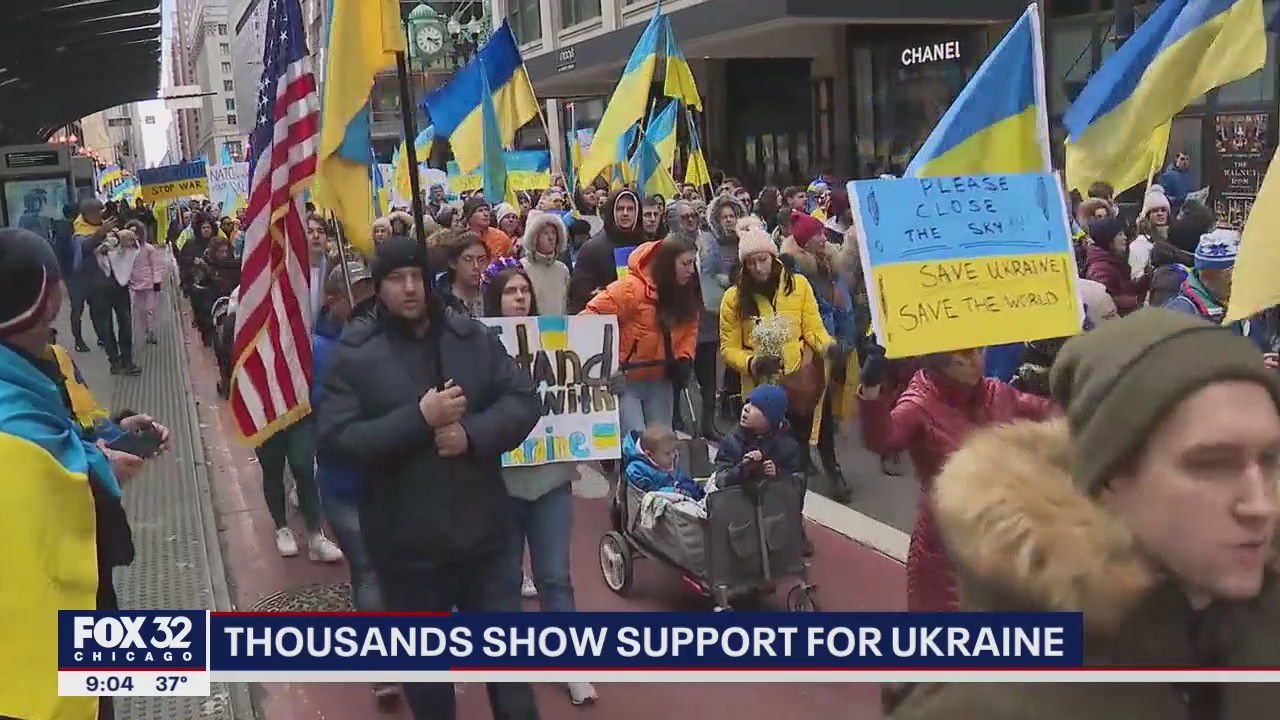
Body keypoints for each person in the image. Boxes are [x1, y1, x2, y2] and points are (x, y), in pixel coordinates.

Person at [885, 308, 1280, 719]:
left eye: (1270, 460)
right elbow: (886, 436)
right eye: (1212, 464)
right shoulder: (982, 703)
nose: (1262, 505)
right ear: (1111, 477)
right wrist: (873, 396)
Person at [315, 236, 542, 720]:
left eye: (416, 275)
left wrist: (473, 433)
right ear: (378, 288)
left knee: (511, 680)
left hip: (485, 537)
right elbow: (339, 439)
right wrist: (420, 418)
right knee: (428, 683)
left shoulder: (469, 337)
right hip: (407, 549)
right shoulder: (355, 354)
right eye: (397, 279)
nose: (410, 288)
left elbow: (521, 399)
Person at [0, 228, 174, 720]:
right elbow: (52, 478)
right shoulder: (10, 410)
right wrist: (106, 467)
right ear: (47, 297)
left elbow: (68, 432)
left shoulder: (36, 364)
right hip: (36, 637)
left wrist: (114, 432)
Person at [858, 343, 1055, 613]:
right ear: (940, 363)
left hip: (1001, 541)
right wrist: (871, 392)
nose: (976, 361)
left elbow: (1054, 413)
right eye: (963, 356)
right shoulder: (919, 403)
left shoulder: (998, 393)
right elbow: (882, 438)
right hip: (945, 549)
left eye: (976, 351)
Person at [481, 258, 597, 706]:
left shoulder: (560, 340)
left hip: (550, 478)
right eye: (510, 292)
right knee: (505, 578)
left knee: (554, 576)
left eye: (523, 291)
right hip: (499, 483)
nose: (518, 298)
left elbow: (582, 388)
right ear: (496, 298)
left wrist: (605, 386)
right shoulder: (478, 345)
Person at [309, 262, 398, 709]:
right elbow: (326, 420)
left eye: (369, 290)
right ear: (334, 301)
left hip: (398, 480)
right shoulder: (320, 350)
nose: (365, 300)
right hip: (348, 481)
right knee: (369, 570)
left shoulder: (390, 337)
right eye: (355, 292)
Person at [582, 237, 700, 437]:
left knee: (662, 444)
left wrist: (685, 357)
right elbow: (588, 320)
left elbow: (689, 328)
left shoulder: (686, 291)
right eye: (685, 263)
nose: (691, 270)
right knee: (635, 444)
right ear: (668, 263)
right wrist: (606, 366)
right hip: (627, 382)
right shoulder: (629, 289)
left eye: (693, 263)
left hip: (661, 379)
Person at [781, 211, 856, 502]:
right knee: (808, 411)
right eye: (817, 235)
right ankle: (816, 465)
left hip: (835, 348)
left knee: (830, 411)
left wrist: (847, 343)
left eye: (824, 234)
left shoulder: (832, 269)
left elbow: (845, 308)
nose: (824, 239)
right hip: (810, 354)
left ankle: (827, 463)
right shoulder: (796, 276)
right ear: (805, 242)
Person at [692, 195, 743, 440]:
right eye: (724, 217)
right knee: (713, 366)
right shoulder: (708, 243)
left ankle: (731, 402)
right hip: (712, 314)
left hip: (740, 309)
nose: (729, 220)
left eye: (732, 216)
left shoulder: (745, 240)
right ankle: (708, 418)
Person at [567, 188, 647, 313]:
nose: (625, 213)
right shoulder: (592, 248)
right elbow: (579, 294)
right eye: (620, 209)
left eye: (630, 209)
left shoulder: (646, 247)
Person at [714, 384, 804, 489]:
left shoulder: (788, 446)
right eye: (747, 402)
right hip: (738, 502)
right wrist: (743, 469)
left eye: (756, 406)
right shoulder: (732, 441)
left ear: (770, 418)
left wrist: (777, 474)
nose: (746, 408)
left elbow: (798, 485)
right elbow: (720, 481)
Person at [91, 226, 142, 376]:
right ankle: (114, 361)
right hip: (100, 289)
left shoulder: (128, 249)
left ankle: (127, 361)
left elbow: (135, 249)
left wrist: (123, 239)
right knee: (106, 327)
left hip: (120, 289)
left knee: (125, 324)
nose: (132, 242)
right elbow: (91, 250)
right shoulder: (101, 242)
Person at [1084, 217, 1148, 316]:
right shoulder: (1100, 269)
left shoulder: (1113, 261)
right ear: (1109, 240)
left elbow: (1124, 288)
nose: (1125, 237)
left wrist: (1144, 281)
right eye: (1120, 234)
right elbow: (1108, 301)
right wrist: (1138, 302)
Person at [623, 423, 703, 500]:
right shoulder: (637, 470)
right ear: (649, 455)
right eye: (667, 453)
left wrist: (693, 486)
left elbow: (681, 476)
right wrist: (675, 491)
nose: (672, 456)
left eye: (673, 450)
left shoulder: (671, 461)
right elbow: (649, 494)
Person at [519, 210, 571, 316]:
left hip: (559, 328)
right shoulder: (522, 267)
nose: (551, 237)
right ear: (535, 237)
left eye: (553, 233)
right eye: (545, 233)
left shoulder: (562, 269)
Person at [438, 232, 489, 317]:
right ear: (453, 263)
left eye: (481, 260)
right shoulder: (440, 301)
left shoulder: (492, 297)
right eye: (468, 259)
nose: (476, 266)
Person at [1128, 187, 1170, 280]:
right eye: (1155, 211)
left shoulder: (1172, 236)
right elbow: (1137, 277)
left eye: (1163, 210)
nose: (1160, 214)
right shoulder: (1139, 243)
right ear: (1147, 215)